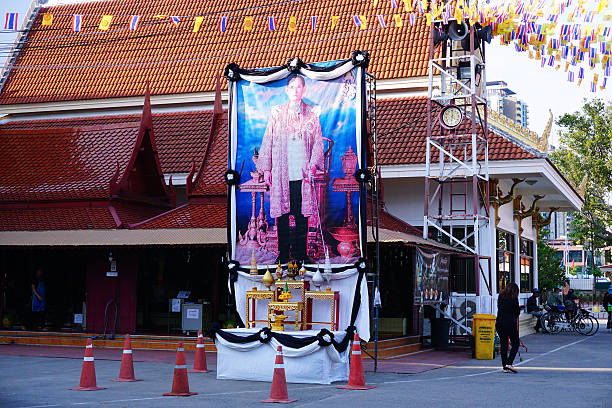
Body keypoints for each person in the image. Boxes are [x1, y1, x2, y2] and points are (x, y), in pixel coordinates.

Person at [257, 75, 325, 264]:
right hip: (281, 172)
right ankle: (284, 253)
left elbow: (318, 143)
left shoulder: (311, 113)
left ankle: (301, 254)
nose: (295, 90)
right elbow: (268, 139)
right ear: (287, 90)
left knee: (301, 215)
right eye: (292, 87)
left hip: (302, 172)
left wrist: (312, 165)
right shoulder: (277, 113)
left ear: (304, 90)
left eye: (299, 87)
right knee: (283, 215)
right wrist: (268, 169)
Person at [496, 283, 521, 373]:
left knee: (504, 344)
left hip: (499, 323)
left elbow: (499, 307)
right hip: (510, 323)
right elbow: (516, 311)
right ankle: (509, 363)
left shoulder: (500, 296)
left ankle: (505, 367)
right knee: (515, 343)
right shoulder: (514, 298)